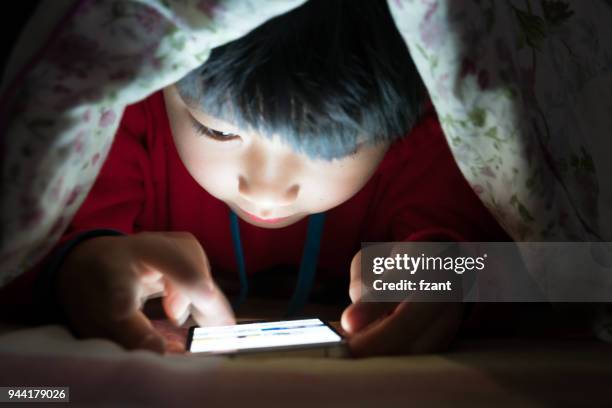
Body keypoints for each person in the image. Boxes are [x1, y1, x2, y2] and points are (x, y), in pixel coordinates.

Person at [3, 0, 510, 356]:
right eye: (216, 131)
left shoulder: (436, 136)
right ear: (162, 83)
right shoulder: (114, 116)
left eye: (334, 146)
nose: (266, 188)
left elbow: (563, 272)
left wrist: (453, 278)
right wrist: (73, 264)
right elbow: (19, 245)